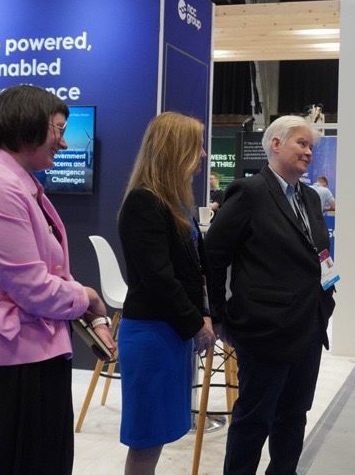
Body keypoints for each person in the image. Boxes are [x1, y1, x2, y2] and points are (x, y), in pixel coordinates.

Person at [0, 85, 115, 475]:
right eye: (58, 130)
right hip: (5, 368)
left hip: (29, 359)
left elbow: (48, 274)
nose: (64, 142)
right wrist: (86, 297)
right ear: (26, 125)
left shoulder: (18, 183)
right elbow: (32, 286)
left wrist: (88, 310)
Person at [205, 115, 335, 475]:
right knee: (254, 420)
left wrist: (327, 299)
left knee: (294, 417)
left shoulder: (310, 198)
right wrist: (218, 314)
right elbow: (214, 255)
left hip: (308, 326)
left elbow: (319, 253)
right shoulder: (250, 192)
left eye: (311, 146)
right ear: (275, 144)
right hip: (264, 330)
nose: (308, 152)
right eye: (301, 143)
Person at [116, 112, 216, 474]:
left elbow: (193, 270)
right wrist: (195, 323)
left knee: (158, 435)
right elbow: (159, 279)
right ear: (176, 149)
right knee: (146, 438)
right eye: (197, 146)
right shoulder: (144, 203)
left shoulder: (173, 205)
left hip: (169, 332)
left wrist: (204, 315)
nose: (203, 154)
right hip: (152, 336)